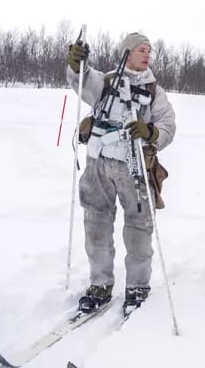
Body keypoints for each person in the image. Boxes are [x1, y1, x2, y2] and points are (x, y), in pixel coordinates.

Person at [66, 31, 176, 315]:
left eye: (150, 50)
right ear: (127, 51)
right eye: (142, 49)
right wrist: (76, 64)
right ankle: (100, 284)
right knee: (96, 224)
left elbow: (168, 126)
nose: (147, 54)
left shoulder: (154, 91)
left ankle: (138, 286)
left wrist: (150, 132)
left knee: (139, 226)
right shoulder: (105, 81)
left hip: (135, 165)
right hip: (98, 163)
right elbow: (81, 81)